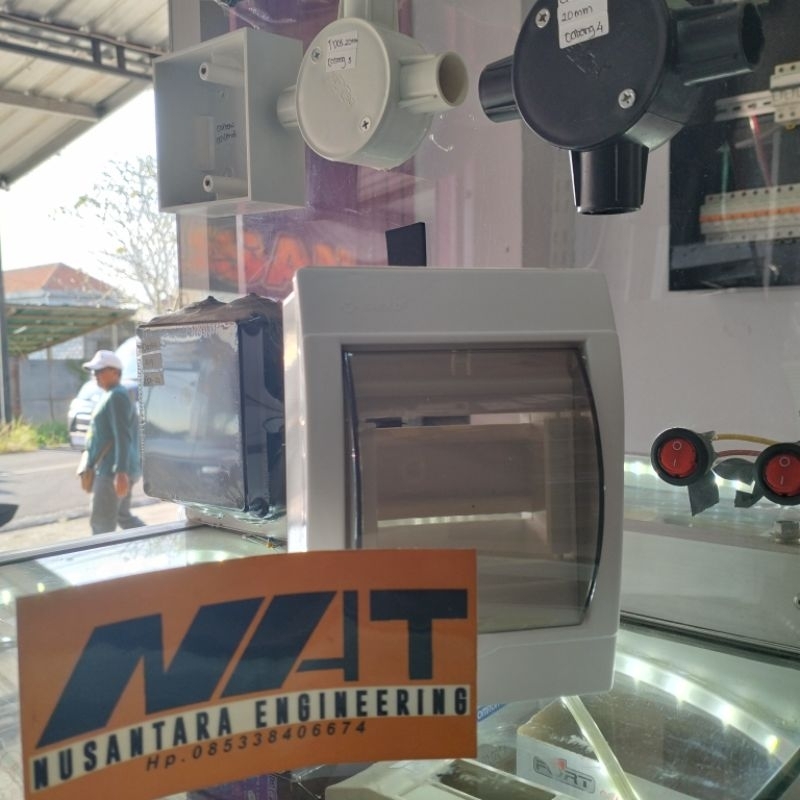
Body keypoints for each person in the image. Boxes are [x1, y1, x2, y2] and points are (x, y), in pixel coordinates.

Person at [82, 349, 144, 535]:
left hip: (111, 472)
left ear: (115, 372)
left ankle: (101, 558)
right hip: (114, 469)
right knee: (122, 517)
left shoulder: (117, 396)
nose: (95, 375)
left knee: (101, 526)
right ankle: (155, 544)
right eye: (94, 371)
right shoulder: (112, 394)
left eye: (100, 370)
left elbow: (122, 435)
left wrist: (121, 472)